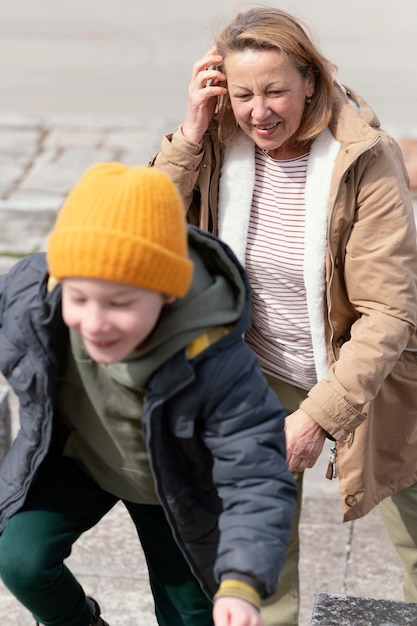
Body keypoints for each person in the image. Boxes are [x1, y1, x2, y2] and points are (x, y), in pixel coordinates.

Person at [150, 6, 417, 625]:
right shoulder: (215, 143)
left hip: (378, 376)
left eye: (275, 90)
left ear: (310, 83)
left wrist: (321, 415)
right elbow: (149, 230)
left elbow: (387, 311)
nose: (258, 111)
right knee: (259, 549)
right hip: (258, 371)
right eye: (242, 94)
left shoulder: (365, 159)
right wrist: (189, 135)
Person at [0, 163, 297, 626]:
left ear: (168, 295)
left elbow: (255, 478)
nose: (96, 322)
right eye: (79, 298)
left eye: (120, 304)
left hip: (176, 487)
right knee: (20, 561)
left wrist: (241, 582)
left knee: (191, 613)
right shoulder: (34, 296)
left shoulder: (216, 362)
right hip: (80, 460)